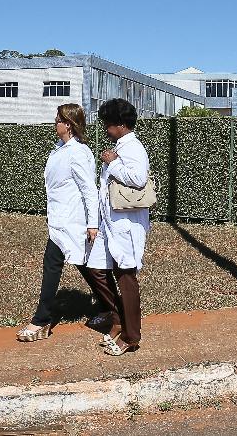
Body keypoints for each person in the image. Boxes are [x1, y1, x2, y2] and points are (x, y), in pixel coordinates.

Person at [16, 104, 101, 342]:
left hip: (73, 220)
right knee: (83, 265)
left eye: (59, 120)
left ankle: (41, 320)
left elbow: (89, 190)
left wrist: (92, 223)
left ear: (69, 125)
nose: (55, 123)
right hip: (60, 219)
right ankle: (109, 306)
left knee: (59, 264)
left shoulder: (78, 152)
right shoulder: (59, 149)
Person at [87, 98, 151, 356]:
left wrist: (113, 163)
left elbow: (138, 178)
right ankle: (118, 319)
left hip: (126, 224)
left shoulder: (133, 147)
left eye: (108, 124)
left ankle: (131, 336)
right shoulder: (120, 147)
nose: (105, 128)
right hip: (110, 223)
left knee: (126, 277)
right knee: (96, 268)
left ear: (121, 124)